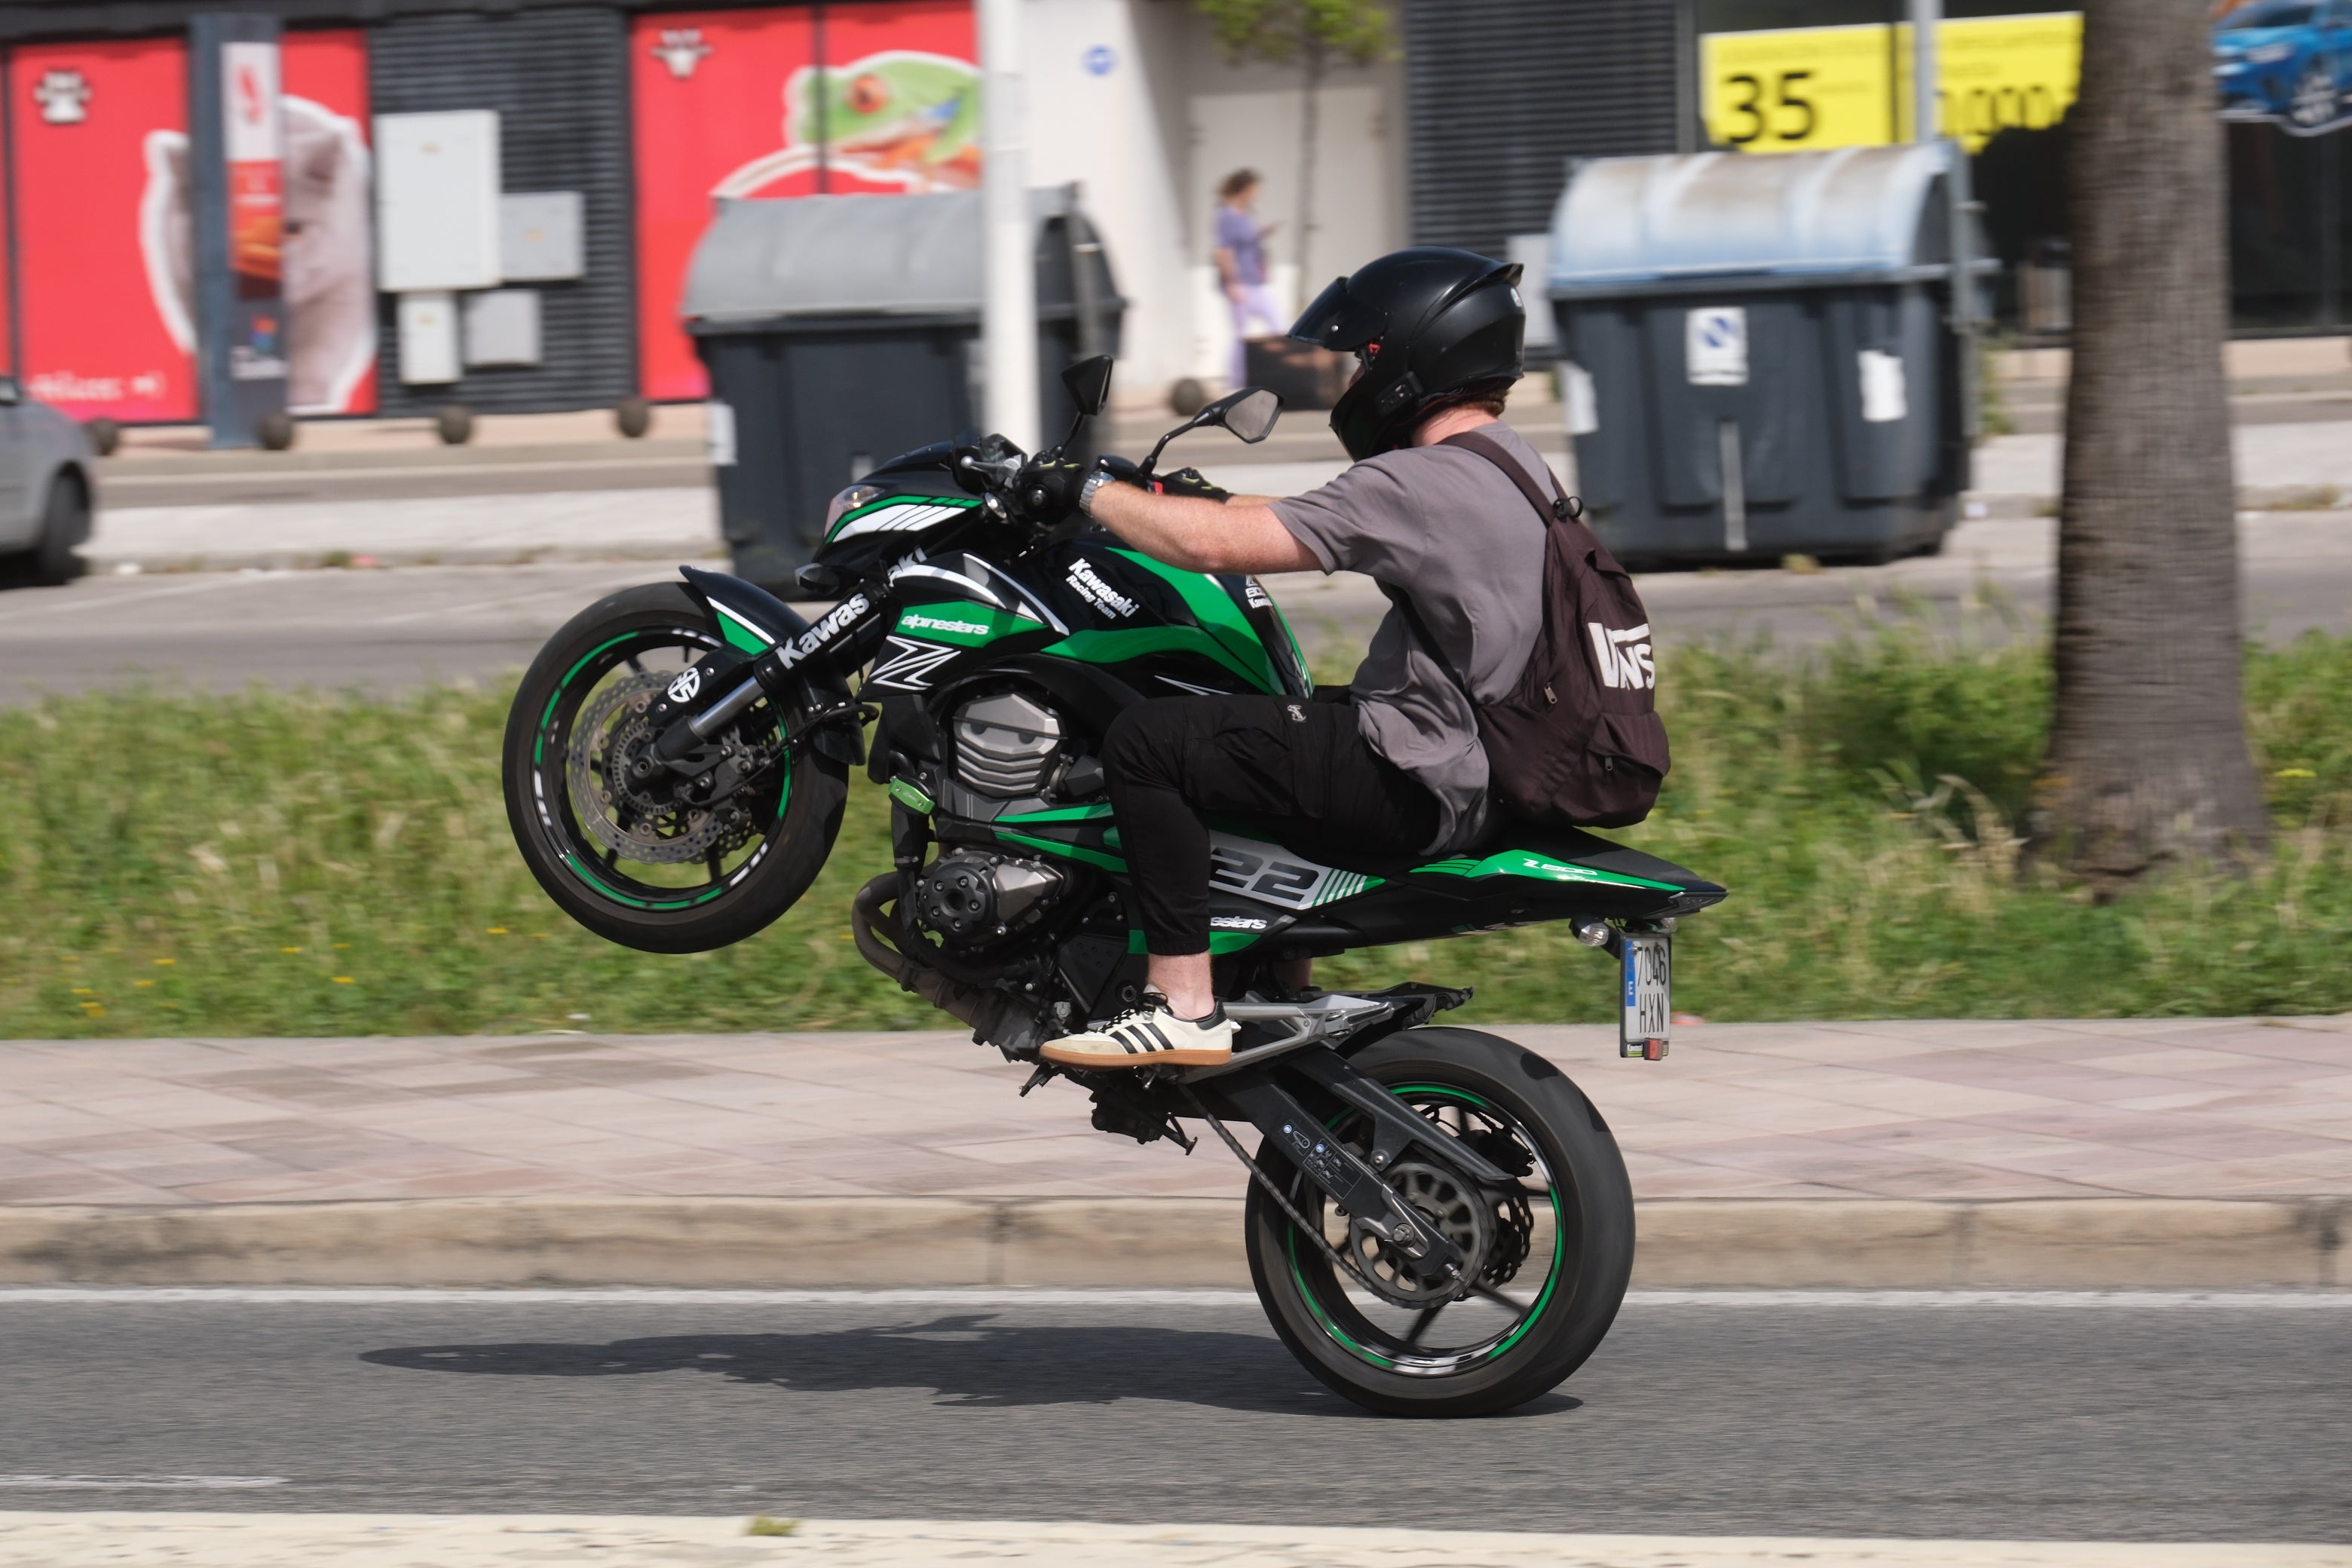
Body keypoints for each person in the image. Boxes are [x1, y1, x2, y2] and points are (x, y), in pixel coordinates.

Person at [1019, 247, 1552, 1069]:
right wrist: (1179, 498)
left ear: (1408, 358)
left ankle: (1181, 1005)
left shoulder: (1423, 480)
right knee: (1266, 722)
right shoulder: (1507, 466)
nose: (1350, 381)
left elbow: (1219, 548)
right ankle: (1276, 980)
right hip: (1470, 762)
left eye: (1360, 358)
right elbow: (1317, 514)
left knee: (1152, 742)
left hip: (1420, 772)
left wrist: (1083, 491)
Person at [1213, 170, 1286, 387]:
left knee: (1277, 323)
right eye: (1254, 190)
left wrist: (1263, 233)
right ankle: (1236, 381)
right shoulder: (1227, 215)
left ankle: (1280, 373)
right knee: (1241, 333)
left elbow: (1248, 241)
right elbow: (1224, 252)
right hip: (1240, 283)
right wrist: (1233, 284)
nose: (1257, 194)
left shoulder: (1245, 214)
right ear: (1243, 189)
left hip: (1254, 281)